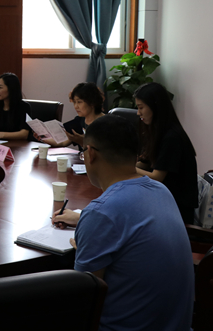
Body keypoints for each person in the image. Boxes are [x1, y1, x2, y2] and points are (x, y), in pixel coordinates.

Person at [52, 115, 193, 330]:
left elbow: (82, 302)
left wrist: (85, 245)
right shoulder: (161, 190)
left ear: (90, 153)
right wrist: (82, 222)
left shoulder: (101, 213)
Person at [133, 82, 198, 224]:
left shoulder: (172, 137)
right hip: (163, 202)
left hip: (176, 211)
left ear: (155, 106)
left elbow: (157, 177)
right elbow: (146, 163)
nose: (138, 113)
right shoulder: (157, 131)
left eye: (141, 107)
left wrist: (127, 168)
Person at [35, 82, 105, 149]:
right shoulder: (79, 121)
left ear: (92, 102)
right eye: (74, 102)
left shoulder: (105, 123)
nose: (76, 106)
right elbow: (63, 142)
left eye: (79, 102)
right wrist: (43, 137)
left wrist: (84, 142)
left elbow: (104, 151)